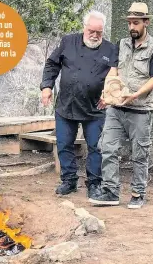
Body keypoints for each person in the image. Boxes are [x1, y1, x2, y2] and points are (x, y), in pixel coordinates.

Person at [89, 2, 153, 209]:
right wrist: (108, 94)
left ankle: (138, 193)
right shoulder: (121, 44)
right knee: (107, 147)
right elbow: (114, 71)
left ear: (146, 22)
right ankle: (111, 191)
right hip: (116, 108)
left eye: (136, 23)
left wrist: (135, 95)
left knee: (139, 153)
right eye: (130, 23)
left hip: (140, 110)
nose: (132, 27)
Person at [40, 10, 118, 198]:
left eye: (99, 32)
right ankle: (69, 181)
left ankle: (94, 183)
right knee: (64, 144)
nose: (95, 35)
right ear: (84, 27)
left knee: (96, 147)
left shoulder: (110, 49)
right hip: (67, 105)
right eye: (91, 30)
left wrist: (109, 95)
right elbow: (52, 64)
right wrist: (47, 86)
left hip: (95, 108)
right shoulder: (68, 42)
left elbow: (116, 76)